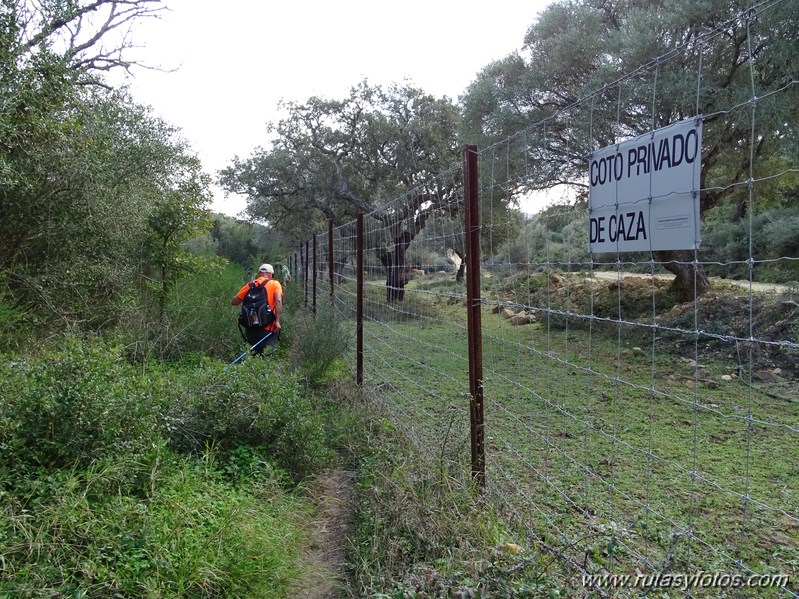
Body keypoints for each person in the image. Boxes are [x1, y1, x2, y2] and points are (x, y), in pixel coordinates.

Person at [231, 263, 283, 355]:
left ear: (258, 274)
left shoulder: (249, 285)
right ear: (270, 275)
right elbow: (278, 300)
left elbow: (234, 302)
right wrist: (277, 321)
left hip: (250, 326)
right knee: (267, 356)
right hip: (268, 327)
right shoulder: (275, 284)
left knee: (252, 356)